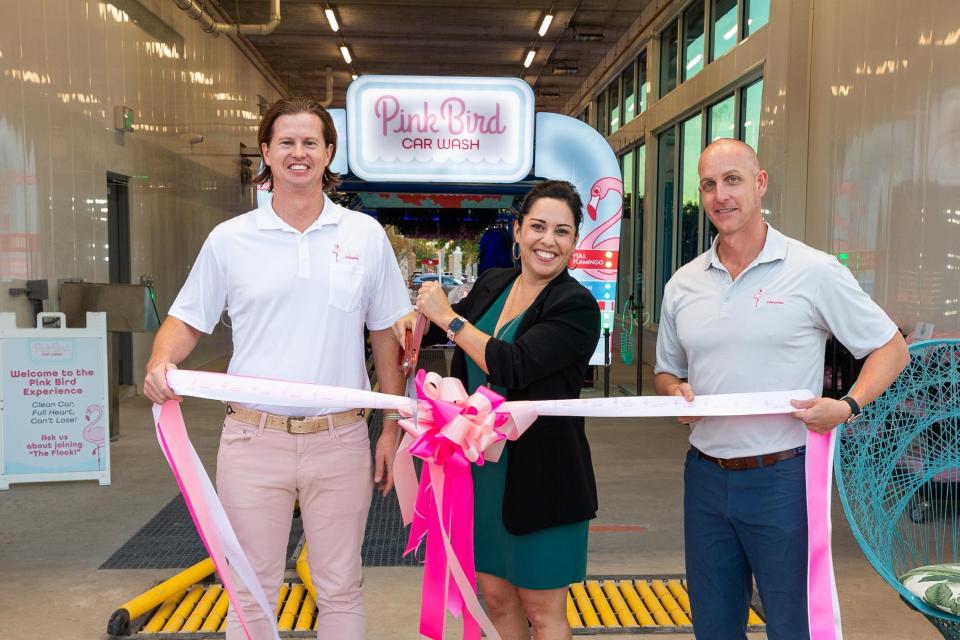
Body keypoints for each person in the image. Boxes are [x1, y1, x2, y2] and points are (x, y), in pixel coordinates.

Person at [143, 97, 411, 640]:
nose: (298, 152)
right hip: (252, 439)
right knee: (249, 587)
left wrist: (391, 426)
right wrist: (158, 360)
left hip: (339, 439)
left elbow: (386, 335)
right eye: (286, 142)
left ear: (328, 152)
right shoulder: (231, 239)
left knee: (340, 587)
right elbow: (187, 320)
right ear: (266, 152)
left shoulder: (363, 236)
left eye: (310, 142)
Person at [654, 138, 909, 640]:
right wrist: (673, 391)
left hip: (783, 479)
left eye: (733, 180)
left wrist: (849, 405)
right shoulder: (683, 285)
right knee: (714, 624)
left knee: (794, 624)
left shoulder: (812, 271)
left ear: (760, 183)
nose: (721, 195)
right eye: (709, 184)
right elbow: (666, 371)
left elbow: (891, 349)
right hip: (704, 478)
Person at [412, 180, 600, 640]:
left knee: (542, 609)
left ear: (575, 241)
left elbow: (512, 365)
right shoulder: (496, 282)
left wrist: (448, 319)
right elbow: (451, 338)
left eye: (562, 231)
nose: (547, 241)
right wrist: (413, 320)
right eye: (537, 226)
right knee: (494, 598)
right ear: (517, 231)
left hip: (542, 478)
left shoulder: (576, 305)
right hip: (480, 474)